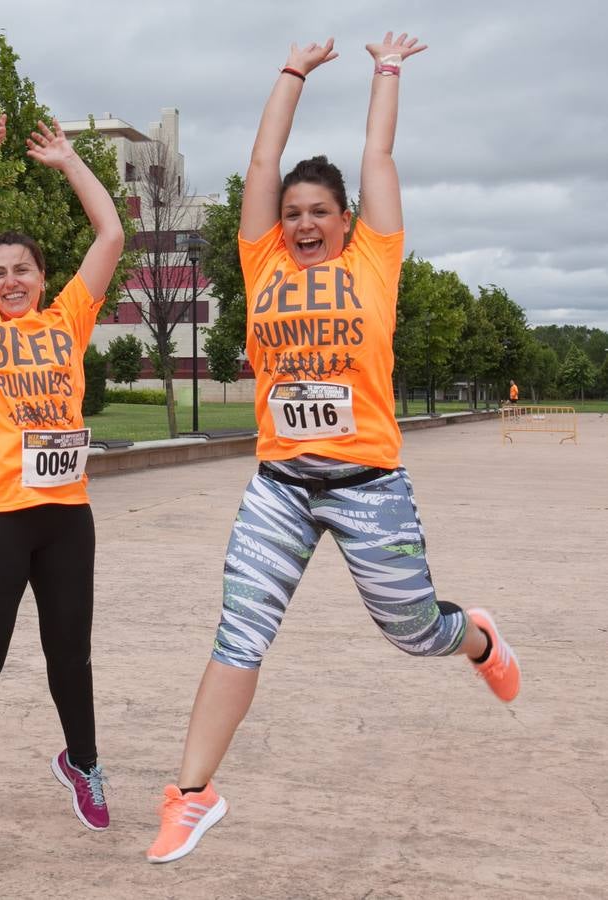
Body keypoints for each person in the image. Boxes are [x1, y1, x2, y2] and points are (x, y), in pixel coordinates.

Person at [145, 33, 521, 865]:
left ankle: (479, 639)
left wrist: (385, 72)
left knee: (414, 630)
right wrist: (293, 72)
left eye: (319, 211)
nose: (303, 222)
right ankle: (193, 794)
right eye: (292, 213)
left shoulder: (376, 261)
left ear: (346, 221)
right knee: (238, 631)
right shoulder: (260, 263)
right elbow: (260, 160)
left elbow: (377, 151)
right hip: (280, 483)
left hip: (367, 483)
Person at [0, 112, 124, 863]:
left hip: (66, 516)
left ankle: (83, 763)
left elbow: (110, 237)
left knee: (71, 651)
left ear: (42, 279)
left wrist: (70, 161)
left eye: (23, 269)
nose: (10, 279)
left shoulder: (69, 320)